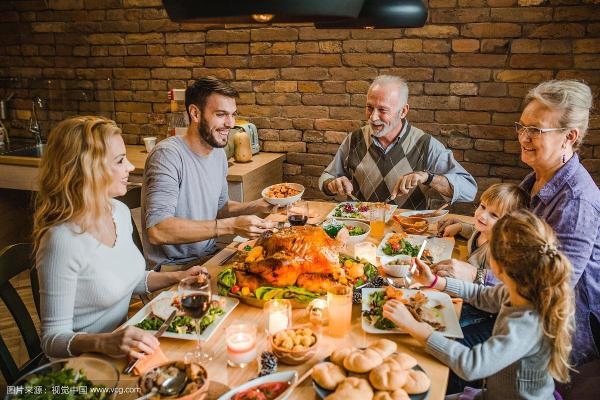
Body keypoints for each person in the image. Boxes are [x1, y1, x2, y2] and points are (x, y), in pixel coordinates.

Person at [34, 116, 205, 359]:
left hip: (126, 345)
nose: (131, 167)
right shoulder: (61, 240)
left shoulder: (118, 212)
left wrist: (178, 277)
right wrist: (104, 342)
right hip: (85, 364)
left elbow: (128, 279)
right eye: (120, 160)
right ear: (88, 168)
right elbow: (52, 340)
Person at [384, 210, 574, 400]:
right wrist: (434, 281)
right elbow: (481, 294)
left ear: (498, 266)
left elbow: (471, 365)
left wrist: (415, 327)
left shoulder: (526, 323)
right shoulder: (520, 290)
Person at [142, 77, 275, 271]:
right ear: (195, 113)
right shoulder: (167, 156)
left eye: (233, 115)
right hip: (175, 269)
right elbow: (158, 230)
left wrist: (259, 205)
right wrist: (231, 226)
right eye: (221, 114)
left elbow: (220, 208)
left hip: (210, 256)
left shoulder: (218, 153)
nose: (230, 123)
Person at [517, 80, 599, 366]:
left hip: (557, 341)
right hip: (521, 314)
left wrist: (475, 279)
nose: (524, 137)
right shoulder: (536, 179)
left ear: (569, 136)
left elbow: (552, 288)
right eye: (522, 127)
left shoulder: (576, 201)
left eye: (536, 130)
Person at [318, 74, 477, 209]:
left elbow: (469, 190)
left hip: (406, 236)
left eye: (382, 110)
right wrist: (331, 184)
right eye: (369, 107)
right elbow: (326, 177)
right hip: (361, 233)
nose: (373, 117)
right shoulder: (354, 139)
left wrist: (427, 177)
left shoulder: (426, 145)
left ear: (403, 111)